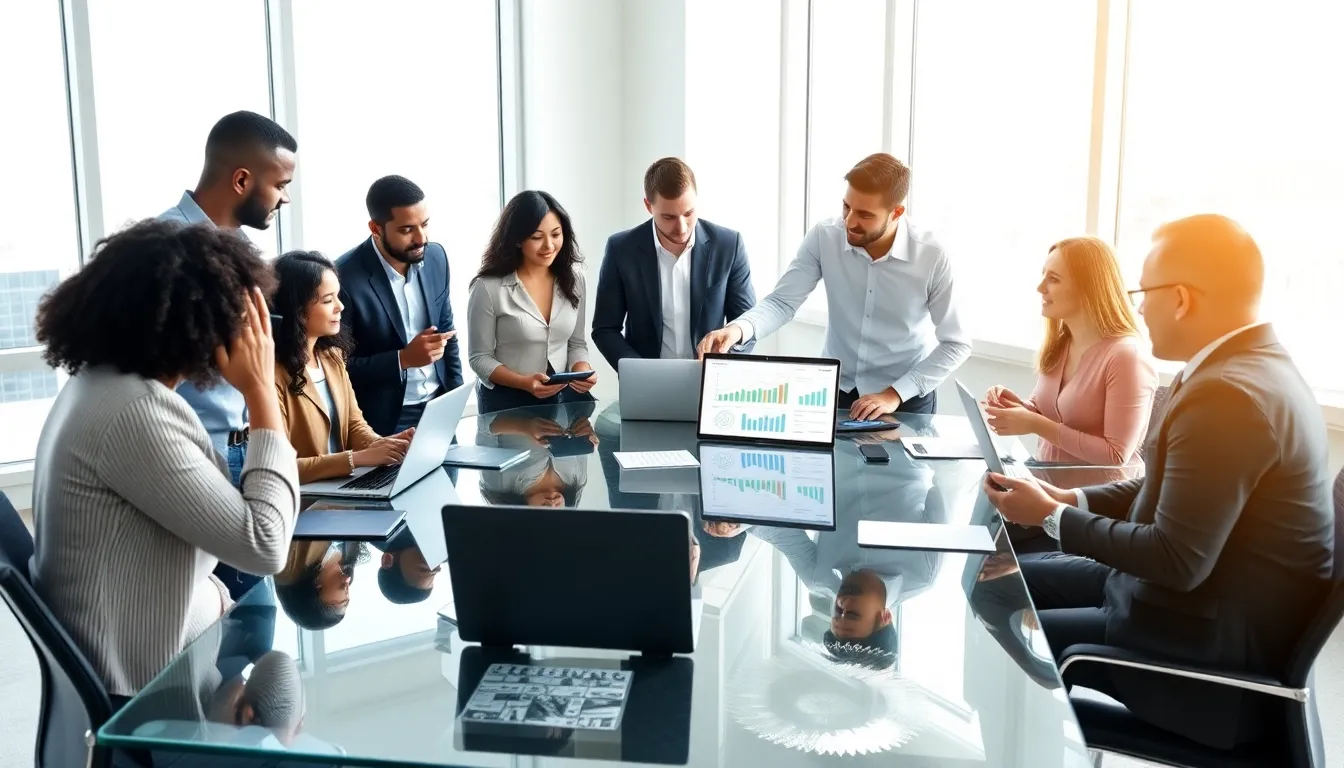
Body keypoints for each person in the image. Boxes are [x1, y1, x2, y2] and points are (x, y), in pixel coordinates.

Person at [982, 214, 1337, 750]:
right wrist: (1068, 498)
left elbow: (1178, 559)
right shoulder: (1246, 367)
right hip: (1186, 604)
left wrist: (1052, 519)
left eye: (1144, 291)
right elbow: (1162, 486)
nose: (1138, 306)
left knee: (998, 623)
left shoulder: (1230, 398)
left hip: (1200, 648)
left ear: (1181, 299)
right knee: (1000, 584)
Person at [30, 219, 299, 699]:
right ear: (203, 325)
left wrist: (216, 597)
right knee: (289, 696)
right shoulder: (136, 411)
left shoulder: (104, 386)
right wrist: (261, 390)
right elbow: (267, 544)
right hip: (148, 702)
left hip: (158, 671)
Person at [697, 153, 969, 417]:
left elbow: (956, 344)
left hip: (904, 399)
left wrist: (894, 394)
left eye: (864, 214)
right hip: (836, 390)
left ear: (896, 212)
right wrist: (737, 329)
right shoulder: (824, 236)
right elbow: (782, 302)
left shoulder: (932, 257)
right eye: (846, 207)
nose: (849, 222)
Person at [161, 110, 298, 484]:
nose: (285, 198)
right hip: (193, 452)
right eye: (281, 185)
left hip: (242, 445)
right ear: (241, 180)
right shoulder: (164, 248)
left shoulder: (241, 248)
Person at [984, 237, 1157, 466]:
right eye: (1043, 275)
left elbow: (1116, 455)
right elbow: (1047, 412)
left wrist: (1034, 424)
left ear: (1090, 288)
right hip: (1046, 487)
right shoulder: (1062, 342)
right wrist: (1016, 408)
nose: (1040, 288)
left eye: (1053, 279)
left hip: (1094, 498)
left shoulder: (1126, 356)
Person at [592, 157, 757, 368]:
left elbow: (748, 325)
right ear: (648, 206)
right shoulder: (621, 249)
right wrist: (639, 371)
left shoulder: (728, 246)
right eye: (669, 217)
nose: (681, 227)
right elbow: (605, 328)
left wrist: (722, 362)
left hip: (711, 379)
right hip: (647, 382)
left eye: (688, 213)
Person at [271, 250, 414, 484]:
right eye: (328, 300)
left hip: (340, 488)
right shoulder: (272, 374)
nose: (340, 307)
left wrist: (385, 445)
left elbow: (354, 426)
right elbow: (279, 467)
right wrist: (358, 459)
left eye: (337, 296)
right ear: (296, 310)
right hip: (303, 501)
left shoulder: (332, 358)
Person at [336, 175, 464, 435]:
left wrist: (456, 397)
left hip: (439, 408)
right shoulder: (344, 277)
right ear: (376, 228)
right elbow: (338, 367)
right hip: (383, 421)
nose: (421, 238)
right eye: (407, 230)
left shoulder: (437, 257)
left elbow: (448, 334)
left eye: (424, 225)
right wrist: (402, 359)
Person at [467, 190, 596, 413]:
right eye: (537, 237)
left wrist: (582, 371)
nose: (549, 246)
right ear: (517, 240)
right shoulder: (488, 287)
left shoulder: (574, 278)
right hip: (506, 402)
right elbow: (479, 358)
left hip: (562, 399)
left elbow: (576, 344)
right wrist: (524, 382)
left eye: (556, 234)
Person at [274, 540, 362, 631]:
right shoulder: (344, 554)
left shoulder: (302, 551)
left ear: (316, 586)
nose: (348, 579)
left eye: (342, 586)